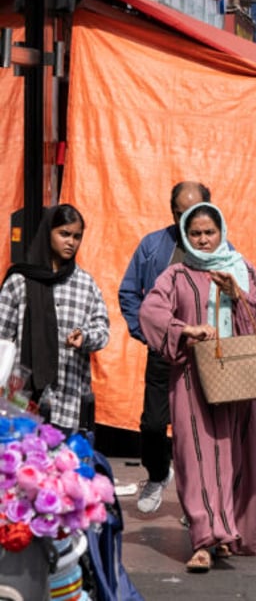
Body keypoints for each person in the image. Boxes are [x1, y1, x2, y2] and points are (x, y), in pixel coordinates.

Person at [139, 203, 256, 571]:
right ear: (186, 235)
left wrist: (238, 294)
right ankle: (203, 540)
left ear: (222, 233)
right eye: (196, 233)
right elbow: (151, 313)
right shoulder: (175, 275)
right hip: (192, 381)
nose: (203, 240)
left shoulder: (241, 269)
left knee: (236, 457)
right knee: (195, 457)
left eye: (209, 233)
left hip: (241, 380)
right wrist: (186, 329)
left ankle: (228, 532)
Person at [119, 181, 210, 514]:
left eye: (193, 212)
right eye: (179, 212)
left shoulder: (216, 245)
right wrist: (147, 333)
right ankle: (158, 473)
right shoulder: (154, 245)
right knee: (154, 425)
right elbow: (129, 292)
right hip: (164, 352)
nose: (187, 221)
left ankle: (197, 505)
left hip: (204, 357)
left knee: (198, 431)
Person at [0, 204, 109, 434]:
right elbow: (2, 336)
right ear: (48, 232)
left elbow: (103, 330)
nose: (71, 242)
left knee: (62, 463)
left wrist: (85, 337)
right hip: (20, 396)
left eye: (77, 236)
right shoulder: (20, 281)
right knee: (22, 461)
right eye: (64, 234)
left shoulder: (85, 285)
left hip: (67, 397)